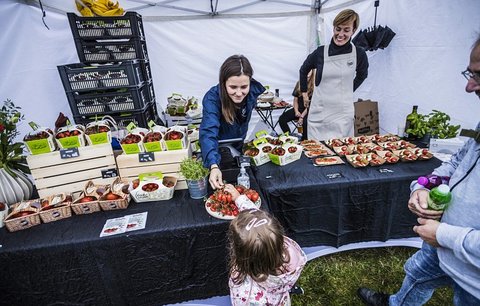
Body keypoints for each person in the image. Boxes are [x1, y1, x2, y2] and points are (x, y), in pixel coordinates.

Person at [357, 35, 480, 306]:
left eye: (479, 76)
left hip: (472, 273)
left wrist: (443, 234)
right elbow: (458, 163)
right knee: (416, 275)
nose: (469, 86)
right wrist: (424, 184)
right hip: (442, 243)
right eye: (471, 73)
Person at [223, 184, 307, 305]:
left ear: (242, 254)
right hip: (280, 298)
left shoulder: (244, 294)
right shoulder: (285, 252)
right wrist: (238, 198)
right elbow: (257, 219)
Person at [299, 9, 368, 141]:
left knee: (342, 153)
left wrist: (348, 90)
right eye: (338, 29)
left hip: (343, 115)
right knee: (317, 152)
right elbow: (303, 69)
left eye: (346, 30)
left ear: (354, 31)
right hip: (320, 114)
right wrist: (304, 93)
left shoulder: (359, 54)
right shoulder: (320, 52)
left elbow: (362, 75)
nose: (340, 34)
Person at [200, 55, 265, 190]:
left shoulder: (252, 92)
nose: (239, 93)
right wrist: (213, 165)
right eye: (233, 87)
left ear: (250, 82)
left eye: (244, 87)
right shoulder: (212, 99)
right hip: (216, 149)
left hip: (239, 144)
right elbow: (208, 132)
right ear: (224, 83)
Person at [278, 69, 315, 140]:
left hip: (308, 110)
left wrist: (301, 117)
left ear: (312, 73)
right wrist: (296, 111)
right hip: (299, 109)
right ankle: (288, 138)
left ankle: (304, 141)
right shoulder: (299, 83)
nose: (307, 74)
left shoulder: (314, 86)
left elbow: (311, 105)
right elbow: (295, 100)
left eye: (309, 71)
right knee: (282, 119)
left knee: (305, 123)